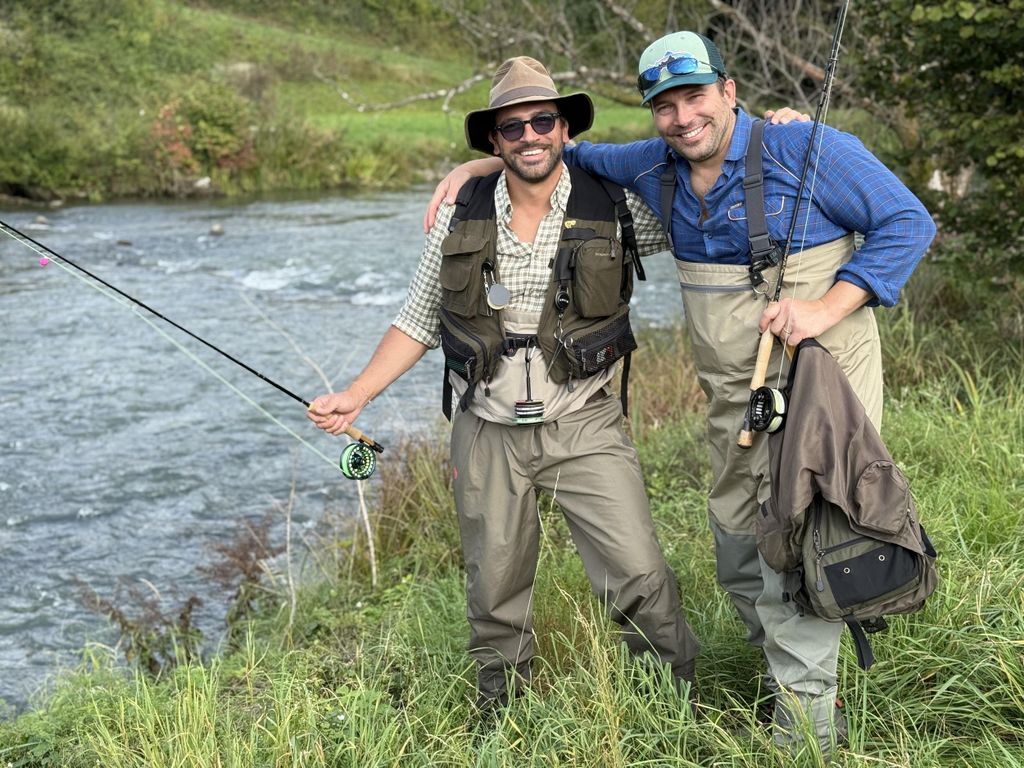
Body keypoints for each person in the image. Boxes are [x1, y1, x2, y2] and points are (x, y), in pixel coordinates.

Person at [426, 31, 937, 755]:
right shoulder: (654, 166)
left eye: (695, 96)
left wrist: (826, 307)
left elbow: (909, 221)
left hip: (823, 393)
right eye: (664, 105)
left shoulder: (808, 149)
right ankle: (780, 680)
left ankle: (807, 735)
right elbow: (555, 155)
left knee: (796, 548)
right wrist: (485, 160)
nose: (682, 117)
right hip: (738, 405)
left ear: (729, 92)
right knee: (738, 551)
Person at [307, 55, 700, 714]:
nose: (529, 136)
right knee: (494, 592)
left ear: (565, 128)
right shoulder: (458, 214)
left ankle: (673, 708)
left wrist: (777, 133)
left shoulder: (620, 206)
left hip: (585, 423)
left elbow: (698, 182)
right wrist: (357, 394)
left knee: (639, 573)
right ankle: (504, 718)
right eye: (511, 128)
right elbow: (417, 319)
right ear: (494, 139)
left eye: (542, 120)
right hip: (485, 427)